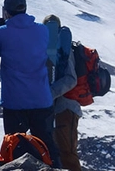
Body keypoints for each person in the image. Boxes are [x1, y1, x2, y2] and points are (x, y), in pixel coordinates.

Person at [0, 0, 62, 168]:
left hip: (15, 100)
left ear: (6, 12)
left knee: (15, 144)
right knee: (46, 144)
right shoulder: (42, 30)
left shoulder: (3, 32)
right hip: (41, 98)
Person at [44, 14, 82, 171]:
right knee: (59, 153)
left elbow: (71, 79)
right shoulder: (53, 47)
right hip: (61, 107)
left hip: (66, 107)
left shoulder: (64, 49)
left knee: (67, 154)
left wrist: (50, 93)